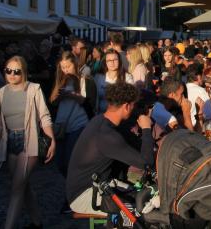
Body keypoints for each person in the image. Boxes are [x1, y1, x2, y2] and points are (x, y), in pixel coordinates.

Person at [0, 55, 56, 229]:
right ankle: (37, 223)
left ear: (24, 72)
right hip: (10, 143)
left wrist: (52, 140)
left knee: (16, 187)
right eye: (8, 70)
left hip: (29, 140)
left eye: (17, 71)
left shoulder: (34, 89)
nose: (12, 74)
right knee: (23, 185)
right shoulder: (0, 94)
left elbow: (44, 116)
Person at [66, 82, 154, 215]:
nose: (136, 109)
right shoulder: (108, 135)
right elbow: (146, 162)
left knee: (143, 195)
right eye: (134, 105)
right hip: (83, 195)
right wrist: (147, 129)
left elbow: (136, 144)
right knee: (142, 209)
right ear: (126, 106)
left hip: (96, 185)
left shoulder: (101, 120)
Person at [49, 56, 91, 212]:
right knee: (60, 163)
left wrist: (71, 95)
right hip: (62, 126)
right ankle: (77, 189)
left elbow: (86, 102)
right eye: (63, 67)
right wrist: (60, 95)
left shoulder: (83, 80)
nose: (66, 70)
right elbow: (52, 101)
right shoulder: (61, 80)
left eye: (68, 66)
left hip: (79, 124)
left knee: (70, 162)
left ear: (75, 65)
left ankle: (72, 197)